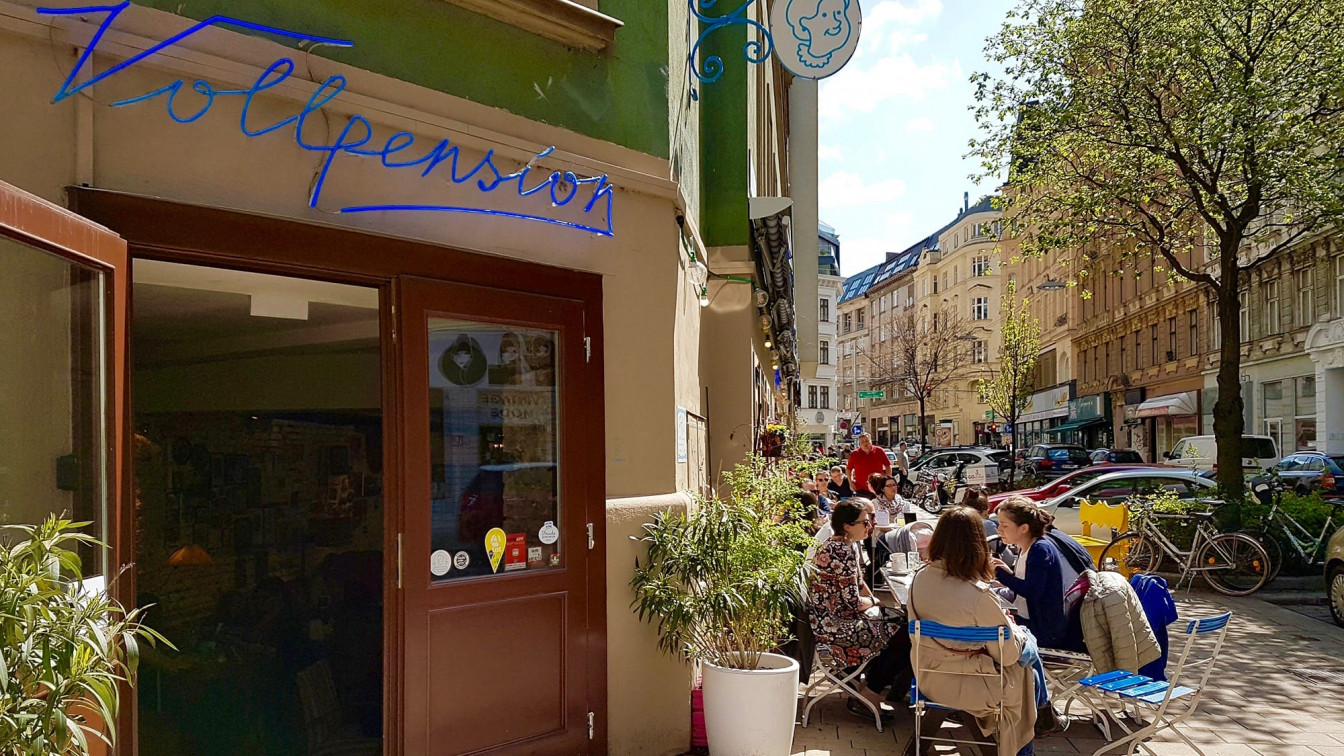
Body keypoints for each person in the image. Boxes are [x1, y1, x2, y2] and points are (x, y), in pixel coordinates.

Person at [907, 507, 1038, 756]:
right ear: (977, 544)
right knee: (1026, 653)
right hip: (974, 684)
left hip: (928, 676)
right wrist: (1015, 632)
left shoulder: (920, 579)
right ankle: (1029, 740)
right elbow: (1007, 656)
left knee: (1025, 653)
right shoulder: (979, 595)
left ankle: (1043, 710)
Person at [808, 500, 912, 719]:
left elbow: (858, 583)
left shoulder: (845, 545)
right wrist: (875, 603)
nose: (870, 526)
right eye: (865, 522)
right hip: (834, 626)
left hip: (832, 619)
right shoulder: (840, 551)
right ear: (847, 526)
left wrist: (875, 600)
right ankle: (871, 692)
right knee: (907, 634)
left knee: (901, 626)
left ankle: (871, 686)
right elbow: (853, 602)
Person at [992, 497, 1067, 649]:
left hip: (1042, 630)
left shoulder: (1040, 549)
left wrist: (999, 573)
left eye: (1004, 525)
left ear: (1024, 528)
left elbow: (1033, 591)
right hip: (1029, 619)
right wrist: (1009, 574)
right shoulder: (1026, 547)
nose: (999, 530)